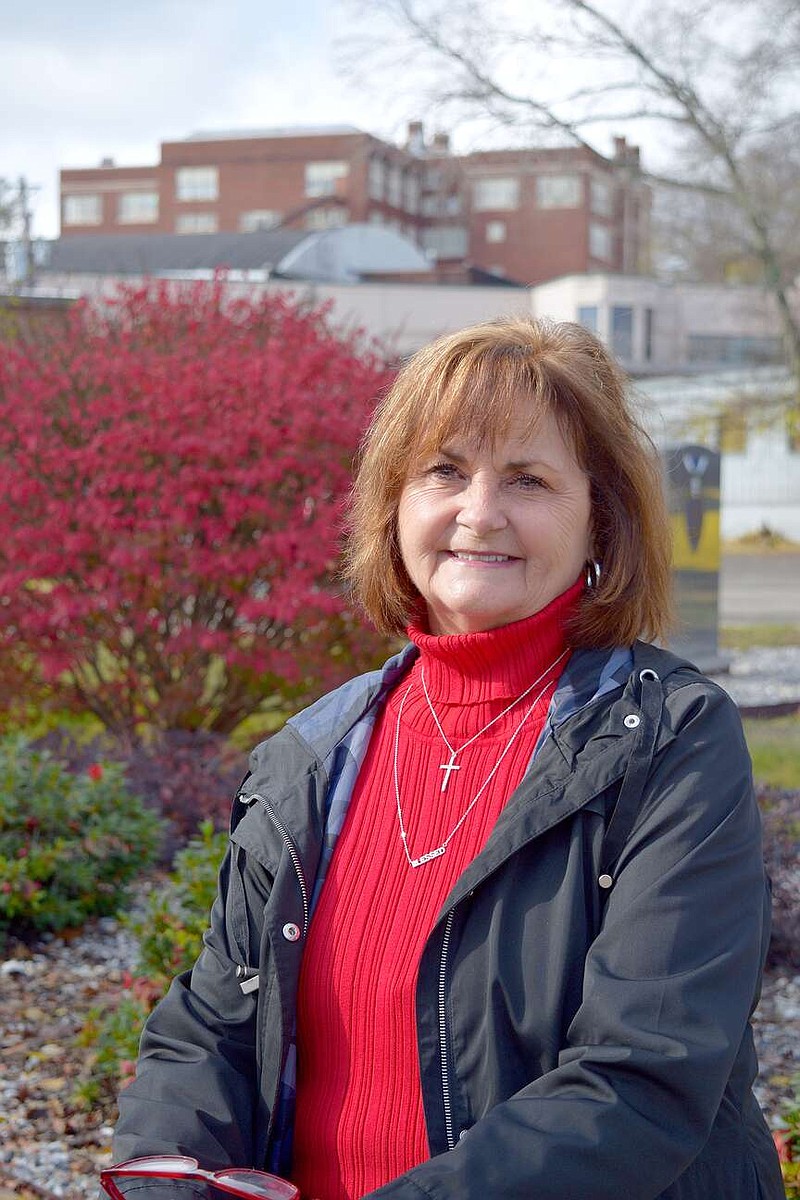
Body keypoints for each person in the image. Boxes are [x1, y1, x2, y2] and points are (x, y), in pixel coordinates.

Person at [111, 317, 784, 1200]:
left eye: (528, 479)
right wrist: (171, 1177)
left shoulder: (671, 742)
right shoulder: (314, 756)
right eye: (444, 470)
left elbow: (641, 1080)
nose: (479, 511)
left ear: (601, 521)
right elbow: (210, 1028)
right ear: (395, 506)